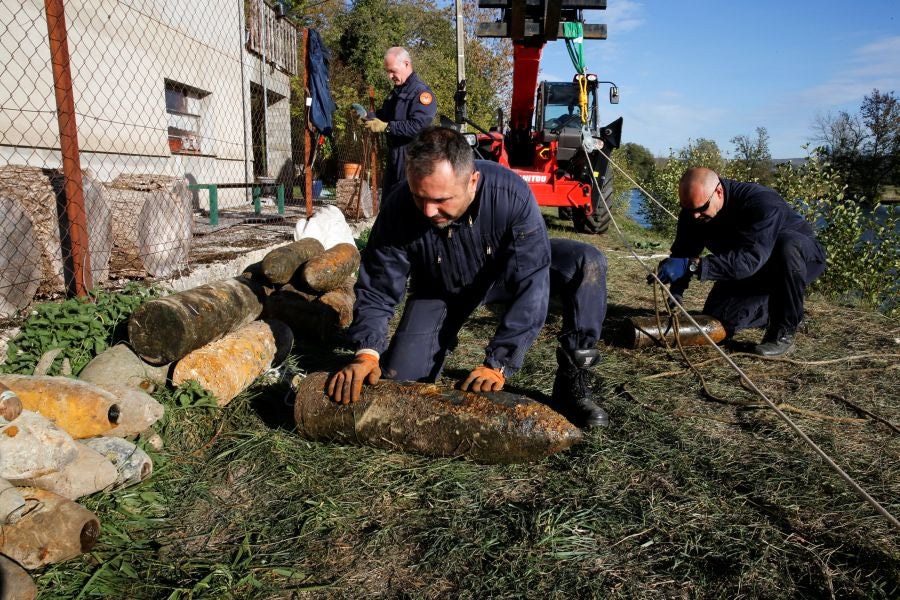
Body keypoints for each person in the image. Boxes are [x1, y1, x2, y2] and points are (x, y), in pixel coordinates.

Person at [327, 127, 610, 428]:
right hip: (441, 287)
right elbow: (378, 286)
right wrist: (367, 351)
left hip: (504, 275)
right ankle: (435, 344)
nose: (428, 211)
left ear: (472, 181)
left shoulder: (511, 195)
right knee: (403, 380)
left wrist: (499, 362)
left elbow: (532, 282)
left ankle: (572, 386)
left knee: (587, 262)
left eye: (441, 199)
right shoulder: (399, 207)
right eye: (418, 196)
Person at [650, 167, 826, 356]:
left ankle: (784, 331)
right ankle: (774, 309)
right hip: (747, 267)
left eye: (701, 209)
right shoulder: (693, 210)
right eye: (689, 209)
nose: (694, 215)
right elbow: (684, 251)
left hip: (797, 261)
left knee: (787, 245)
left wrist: (693, 266)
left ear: (718, 192)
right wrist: (677, 292)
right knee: (719, 318)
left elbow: (749, 260)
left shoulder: (762, 202)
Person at [362, 47, 437, 197]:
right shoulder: (397, 92)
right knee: (389, 206)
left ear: (406, 64)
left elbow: (418, 126)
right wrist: (367, 116)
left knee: (405, 207)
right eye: (388, 71)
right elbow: (385, 115)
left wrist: (387, 127)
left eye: (393, 71)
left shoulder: (421, 93)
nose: (390, 76)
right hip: (394, 156)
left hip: (412, 158)